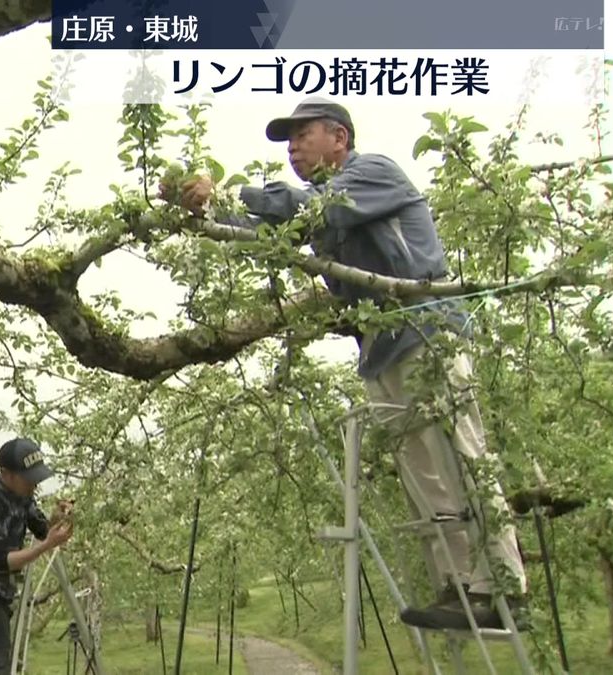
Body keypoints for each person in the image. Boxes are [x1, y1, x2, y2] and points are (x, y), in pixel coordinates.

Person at [159, 96, 528, 631]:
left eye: (301, 135)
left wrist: (231, 191)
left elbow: (311, 211)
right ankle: (462, 586)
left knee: (462, 455)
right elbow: (269, 229)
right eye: (288, 140)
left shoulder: (371, 175)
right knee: (423, 472)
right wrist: (204, 207)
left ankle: (506, 586)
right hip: (381, 349)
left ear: (339, 137)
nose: (291, 148)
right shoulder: (320, 204)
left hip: (428, 335)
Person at [0, 438, 74, 673]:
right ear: (6, 474)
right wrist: (47, 546)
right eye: (28, 479)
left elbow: (41, 529)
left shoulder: (22, 496)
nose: (34, 485)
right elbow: (3, 560)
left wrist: (58, 519)